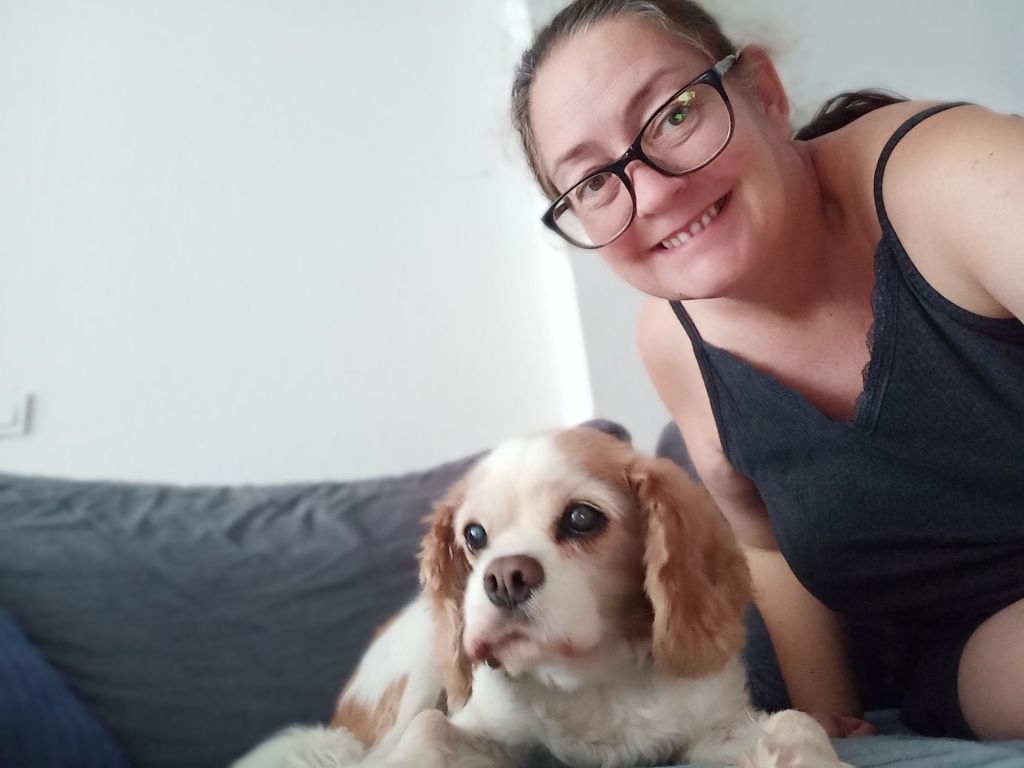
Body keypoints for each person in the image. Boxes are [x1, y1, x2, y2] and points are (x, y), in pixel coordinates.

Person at [510, 0, 1024, 742]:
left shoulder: (955, 176)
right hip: (971, 659)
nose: (653, 192)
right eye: (592, 182)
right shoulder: (674, 342)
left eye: (674, 114)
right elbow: (766, 540)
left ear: (765, 93)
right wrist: (822, 715)